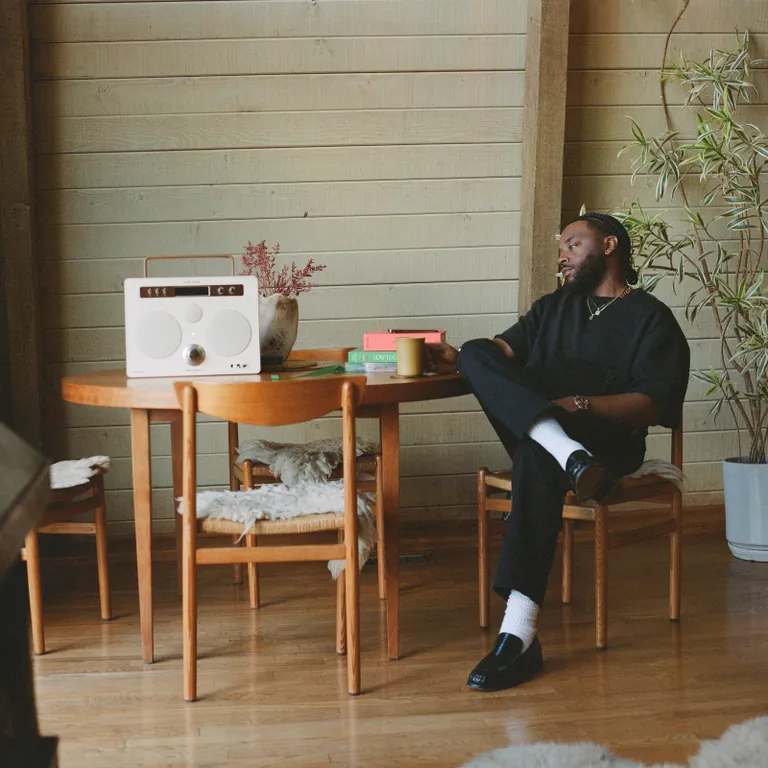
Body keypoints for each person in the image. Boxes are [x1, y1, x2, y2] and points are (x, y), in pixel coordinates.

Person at [424, 212, 690, 692]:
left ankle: (519, 634)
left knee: (534, 454)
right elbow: (501, 353)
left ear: (609, 245)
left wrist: (582, 403)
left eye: (572, 244)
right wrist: (459, 358)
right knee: (475, 352)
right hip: (555, 437)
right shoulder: (552, 306)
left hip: (607, 443)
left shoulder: (651, 318)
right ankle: (566, 453)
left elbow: (653, 404)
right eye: (560, 247)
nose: (562, 255)